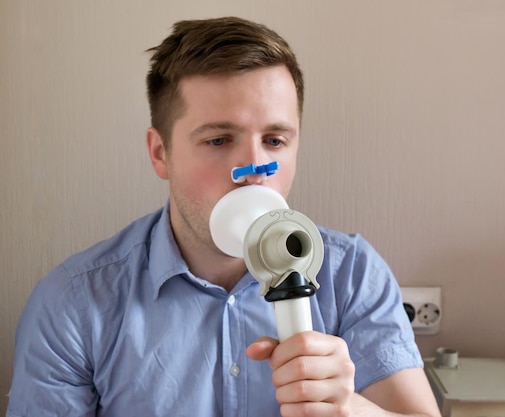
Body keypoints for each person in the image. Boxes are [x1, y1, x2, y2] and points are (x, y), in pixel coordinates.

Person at [7, 16, 441, 417]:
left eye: (274, 140)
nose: (254, 171)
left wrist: (350, 408)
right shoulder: (74, 304)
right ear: (161, 153)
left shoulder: (351, 275)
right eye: (219, 140)